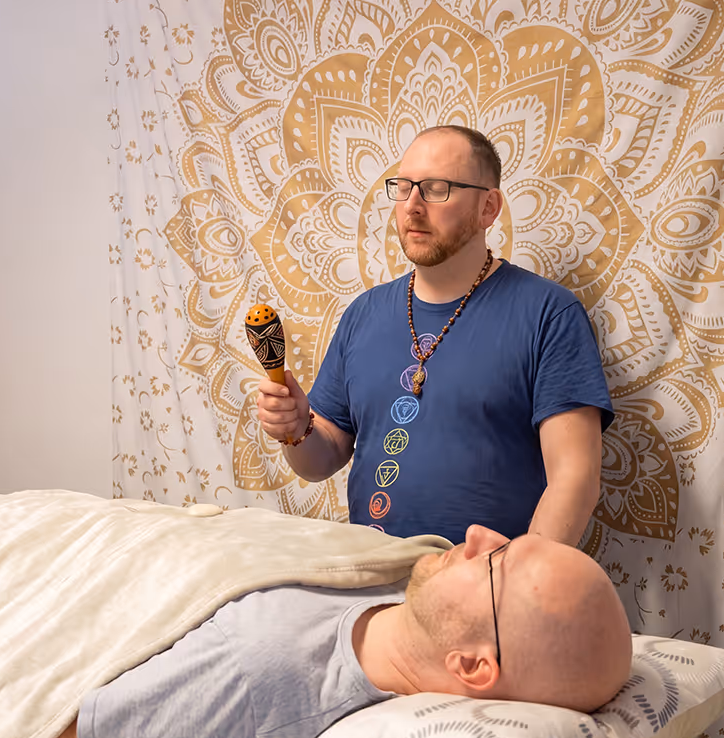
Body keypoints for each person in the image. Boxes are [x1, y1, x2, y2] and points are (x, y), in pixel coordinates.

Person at [22, 525, 633, 738]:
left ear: (473, 667)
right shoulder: (394, 573)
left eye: (497, 560)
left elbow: (33, 732)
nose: (477, 534)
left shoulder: (257, 690)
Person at [255, 125, 614, 547]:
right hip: (372, 575)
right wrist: (297, 429)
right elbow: (320, 461)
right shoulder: (363, 314)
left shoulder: (548, 314)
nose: (412, 206)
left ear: (488, 208)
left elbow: (574, 479)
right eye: (403, 187)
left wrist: (512, 579)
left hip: (486, 580)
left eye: (436, 189)